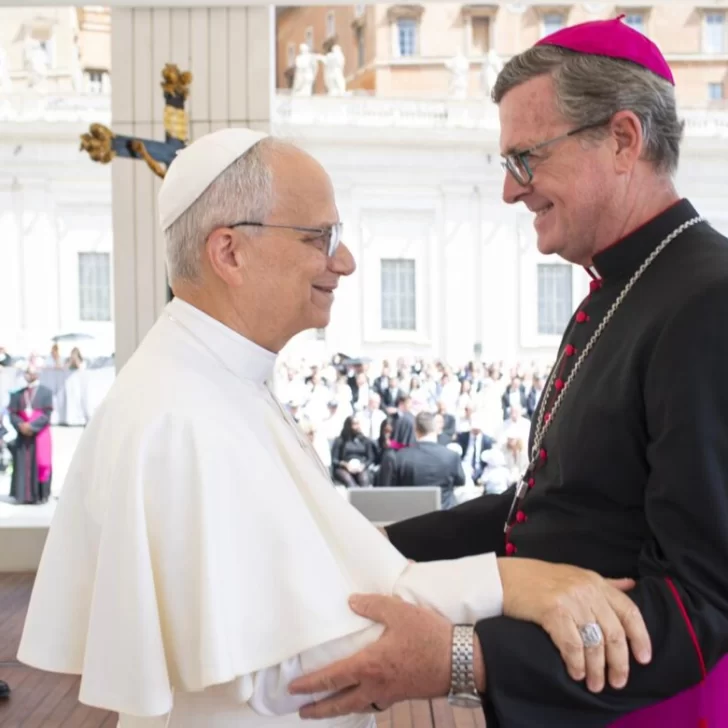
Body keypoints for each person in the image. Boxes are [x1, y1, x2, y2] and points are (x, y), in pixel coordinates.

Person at [18, 128, 649, 727]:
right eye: (319, 236)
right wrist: (508, 585)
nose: (343, 261)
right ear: (229, 252)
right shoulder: (179, 413)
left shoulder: (225, 380)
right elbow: (282, 668)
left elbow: (320, 586)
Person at [289, 16, 728, 728]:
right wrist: (373, 550)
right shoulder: (621, 286)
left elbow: (702, 601)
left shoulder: (709, 299)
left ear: (623, 139)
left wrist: (462, 658)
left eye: (526, 159)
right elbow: (547, 509)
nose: (509, 191)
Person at [378, 412, 466, 509]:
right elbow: (460, 481)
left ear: (415, 429)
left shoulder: (399, 457)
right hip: (444, 513)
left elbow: (389, 491)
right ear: (436, 429)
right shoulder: (451, 456)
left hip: (412, 514)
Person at [8, 364, 53, 504]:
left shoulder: (46, 392)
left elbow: (46, 415)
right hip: (22, 435)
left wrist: (32, 427)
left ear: (37, 374)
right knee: (22, 465)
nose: (29, 375)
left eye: (32, 372)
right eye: (27, 372)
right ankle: (22, 496)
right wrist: (21, 425)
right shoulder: (18, 394)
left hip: (39, 435)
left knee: (40, 464)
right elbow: (13, 414)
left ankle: (39, 496)